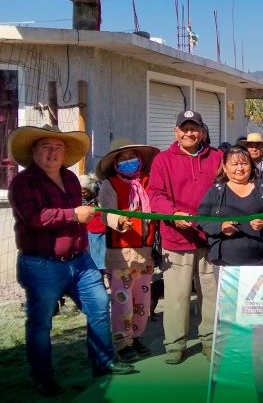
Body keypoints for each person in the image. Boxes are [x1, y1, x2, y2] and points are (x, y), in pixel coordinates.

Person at [8, 125, 134, 397]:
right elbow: (35, 217)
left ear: (65, 153)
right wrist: (74, 215)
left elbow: (86, 213)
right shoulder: (22, 182)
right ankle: (43, 378)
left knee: (100, 306)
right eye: (46, 147)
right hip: (42, 264)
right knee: (41, 323)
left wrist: (107, 219)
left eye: (59, 147)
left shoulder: (71, 178)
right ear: (33, 151)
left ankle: (103, 362)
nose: (53, 152)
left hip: (80, 260)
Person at [148, 110, 222, 365]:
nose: (189, 133)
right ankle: (175, 345)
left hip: (210, 237)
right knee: (177, 295)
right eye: (184, 128)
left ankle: (210, 340)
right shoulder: (162, 160)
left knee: (210, 294)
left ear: (201, 131)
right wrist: (171, 214)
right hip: (175, 237)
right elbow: (155, 195)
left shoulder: (218, 157)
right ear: (175, 130)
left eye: (194, 128)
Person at [96, 138, 160, 363]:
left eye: (131, 157)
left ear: (139, 160)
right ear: (115, 163)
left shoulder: (148, 181)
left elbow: (159, 203)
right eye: (122, 159)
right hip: (121, 253)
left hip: (145, 252)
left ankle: (137, 336)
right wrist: (118, 220)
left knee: (142, 299)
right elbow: (106, 211)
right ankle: (122, 341)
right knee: (122, 301)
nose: (127, 162)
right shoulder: (110, 184)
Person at [197, 145, 263, 270]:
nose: (240, 168)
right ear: (224, 167)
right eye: (234, 164)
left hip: (260, 261)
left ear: (251, 166)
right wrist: (220, 227)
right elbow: (201, 218)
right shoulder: (216, 191)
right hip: (224, 263)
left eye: (244, 163)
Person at [80, 173, 106, 275]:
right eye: (81, 192)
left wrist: (92, 211)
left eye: (85, 191)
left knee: (99, 258)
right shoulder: (80, 200)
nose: (82, 194)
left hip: (99, 230)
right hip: (88, 230)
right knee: (92, 256)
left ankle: (100, 274)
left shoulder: (98, 198)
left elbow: (103, 211)